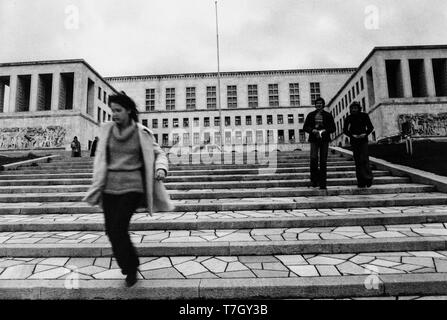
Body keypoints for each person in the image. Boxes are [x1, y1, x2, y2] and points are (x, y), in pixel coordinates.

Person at [82, 93, 174, 287]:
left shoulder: (142, 132)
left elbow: (159, 153)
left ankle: (131, 267)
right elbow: (101, 158)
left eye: (118, 110)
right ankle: (129, 264)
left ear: (128, 110)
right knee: (110, 231)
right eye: (112, 110)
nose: (114, 114)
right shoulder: (106, 130)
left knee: (119, 228)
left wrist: (161, 168)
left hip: (133, 187)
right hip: (109, 188)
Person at [303, 97, 336, 190]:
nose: (319, 105)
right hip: (314, 139)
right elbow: (305, 127)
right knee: (313, 159)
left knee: (323, 161)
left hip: (324, 140)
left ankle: (322, 183)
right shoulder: (310, 115)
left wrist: (325, 130)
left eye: (320, 103)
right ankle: (314, 180)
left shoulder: (328, 115)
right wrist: (312, 130)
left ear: (323, 104)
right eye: (317, 103)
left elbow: (333, 128)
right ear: (315, 105)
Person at [343, 101, 374, 188]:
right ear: (350, 109)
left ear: (359, 108)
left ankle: (368, 179)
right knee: (357, 161)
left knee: (364, 159)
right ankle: (360, 181)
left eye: (356, 108)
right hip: (354, 141)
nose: (354, 110)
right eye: (352, 108)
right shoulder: (348, 118)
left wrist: (365, 134)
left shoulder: (364, 116)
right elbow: (345, 130)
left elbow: (370, 127)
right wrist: (352, 135)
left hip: (363, 140)